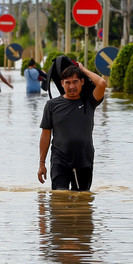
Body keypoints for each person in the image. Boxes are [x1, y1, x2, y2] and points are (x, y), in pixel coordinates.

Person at [38, 62, 107, 191]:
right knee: (59, 199)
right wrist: (42, 163)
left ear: (82, 82)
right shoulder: (52, 105)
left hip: (84, 160)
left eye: (75, 82)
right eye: (68, 82)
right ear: (62, 83)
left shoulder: (89, 102)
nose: (72, 86)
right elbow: (45, 134)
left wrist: (83, 70)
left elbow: (102, 83)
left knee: (82, 200)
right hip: (60, 161)